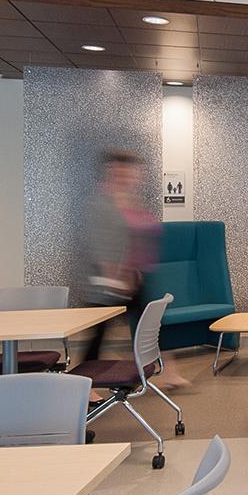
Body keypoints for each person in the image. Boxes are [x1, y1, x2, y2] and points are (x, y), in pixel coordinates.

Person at [81, 150, 188, 386]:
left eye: (130, 172)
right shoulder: (102, 202)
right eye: (121, 171)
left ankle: (165, 370)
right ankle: (84, 385)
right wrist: (115, 272)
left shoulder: (131, 200)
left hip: (135, 277)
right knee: (98, 335)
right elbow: (99, 242)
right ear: (112, 171)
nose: (128, 176)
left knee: (150, 325)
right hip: (109, 282)